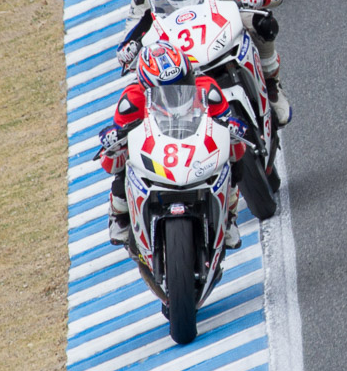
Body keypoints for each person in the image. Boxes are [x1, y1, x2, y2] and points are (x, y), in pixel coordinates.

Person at [115, 0, 292, 127]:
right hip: (178, 45)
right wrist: (129, 49)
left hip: (219, 19)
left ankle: (271, 81)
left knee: (262, 21)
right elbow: (126, 45)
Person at [98, 41, 247, 250]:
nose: (176, 94)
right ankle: (119, 215)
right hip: (154, 150)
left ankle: (229, 216)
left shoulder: (208, 90)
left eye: (183, 82)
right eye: (167, 89)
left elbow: (231, 133)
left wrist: (233, 129)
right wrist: (114, 143)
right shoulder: (131, 101)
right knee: (122, 166)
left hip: (196, 147)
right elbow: (109, 162)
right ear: (146, 87)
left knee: (232, 158)